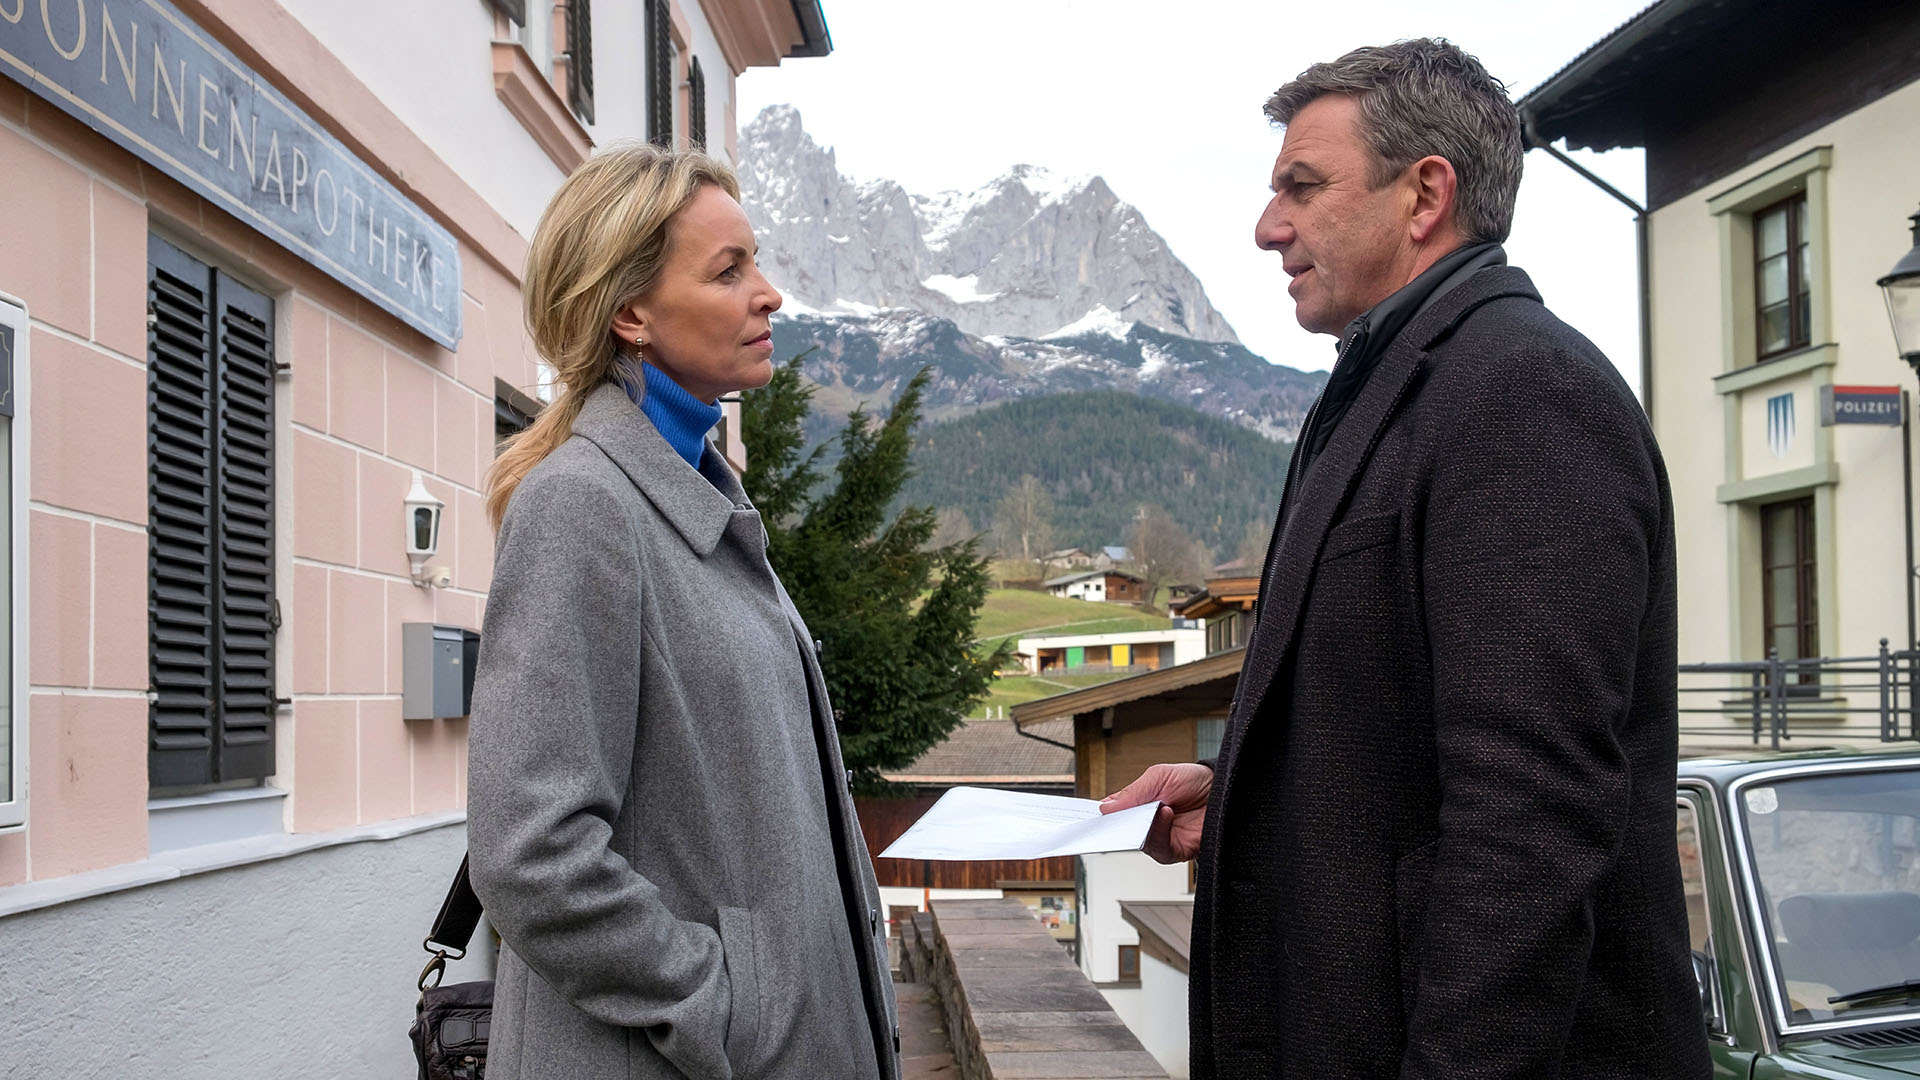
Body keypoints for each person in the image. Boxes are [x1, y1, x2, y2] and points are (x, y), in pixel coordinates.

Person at [1101, 39, 1711, 1079]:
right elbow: (1402, 746)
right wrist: (1246, 796)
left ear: (1426, 193)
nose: (1267, 227)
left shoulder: (1523, 394)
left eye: (1302, 187)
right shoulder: (1396, 385)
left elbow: (1528, 821)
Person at [466, 144, 898, 1080]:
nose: (769, 294)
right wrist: (724, 1007)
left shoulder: (696, 492)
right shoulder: (583, 506)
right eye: (728, 271)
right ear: (631, 314)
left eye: (756, 263)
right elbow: (531, 852)